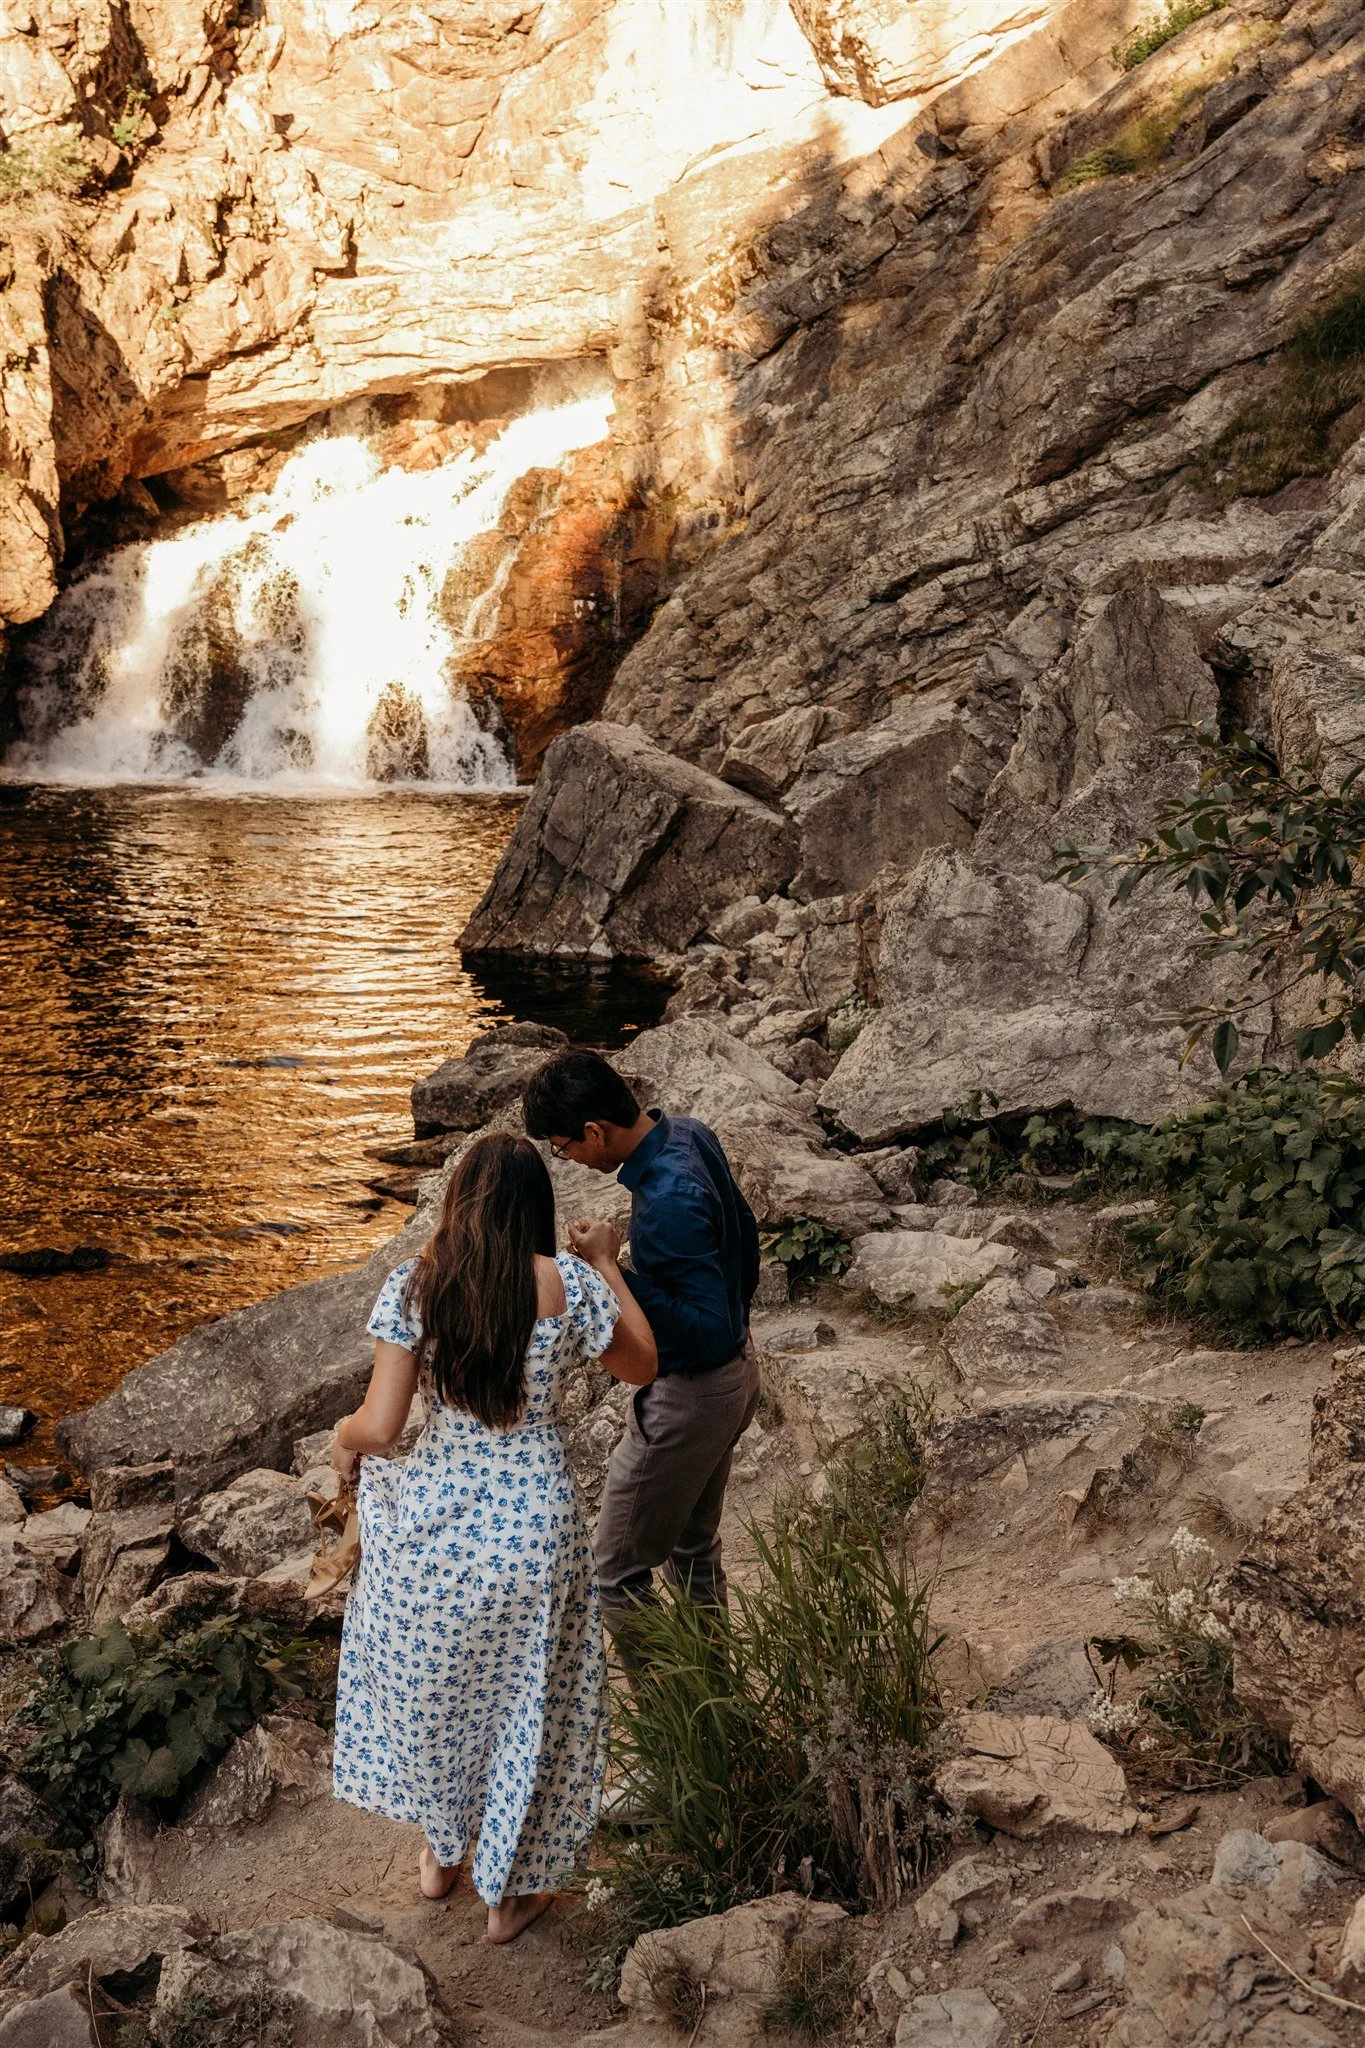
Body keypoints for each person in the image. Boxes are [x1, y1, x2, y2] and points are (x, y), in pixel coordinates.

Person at [329, 1131, 657, 1942]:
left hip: (438, 1528)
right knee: (531, 1708)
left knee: (434, 1688)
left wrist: (340, 1437)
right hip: (534, 1527)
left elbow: (380, 1425)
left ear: (460, 1202)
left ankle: (444, 1855)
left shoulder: (416, 1288)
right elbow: (645, 1365)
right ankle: (508, 1899)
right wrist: (609, 1263)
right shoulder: (568, 1285)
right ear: (532, 1206)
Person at [522, 1051, 761, 1659]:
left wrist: (608, 1267)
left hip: (692, 1393)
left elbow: (702, 1331)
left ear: (595, 1131)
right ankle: (715, 1704)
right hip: (738, 1371)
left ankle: (670, 1725)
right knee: (690, 1549)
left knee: (616, 1571)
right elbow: (747, 1237)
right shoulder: (689, 1133)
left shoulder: (668, 1200)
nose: (568, 1157)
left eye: (563, 1145)